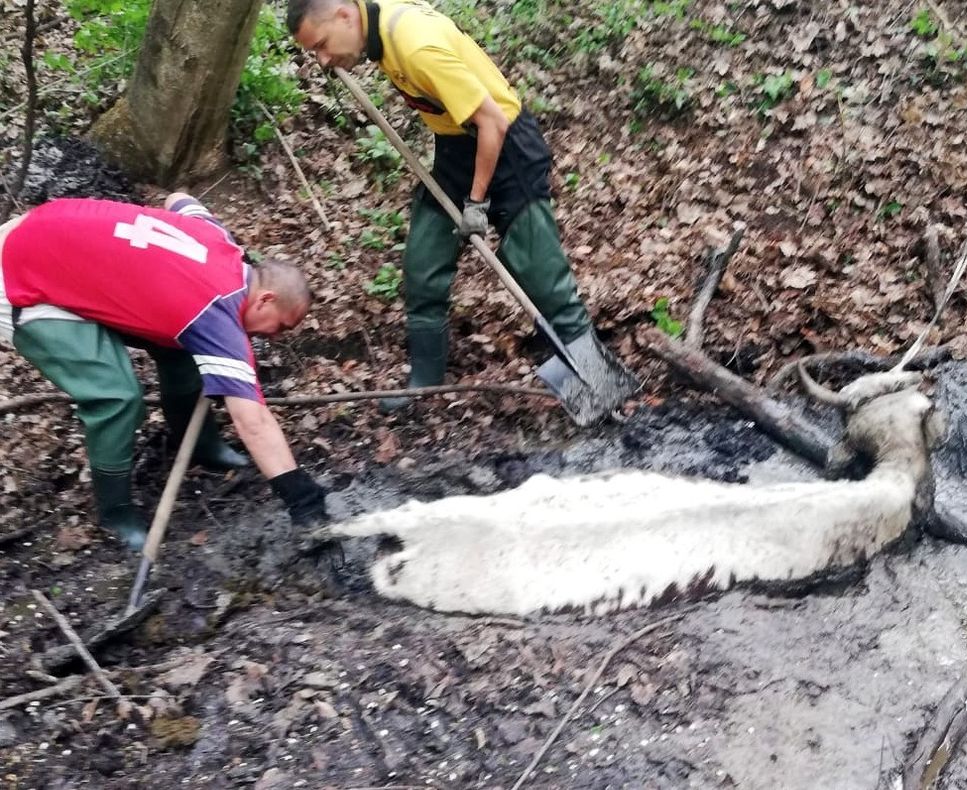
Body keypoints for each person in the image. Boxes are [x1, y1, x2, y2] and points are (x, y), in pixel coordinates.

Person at [287, 0, 594, 411]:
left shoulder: (415, 44)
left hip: (506, 148)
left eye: (322, 45)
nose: (324, 60)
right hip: (456, 147)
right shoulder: (374, 28)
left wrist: (476, 202)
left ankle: (594, 380)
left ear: (345, 15)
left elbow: (493, 122)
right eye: (315, 53)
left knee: (540, 272)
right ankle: (424, 384)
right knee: (424, 260)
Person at [0, 194, 329, 549]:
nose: (274, 336)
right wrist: (301, 498)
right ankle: (116, 514)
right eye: (279, 326)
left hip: (54, 234)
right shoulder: (214, 314)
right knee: (116, 396)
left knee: (183, 347)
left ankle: (203, 446)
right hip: (20, 273)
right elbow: (253, 421)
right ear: (264, 299)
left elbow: (180, 199)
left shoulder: (219, 240)